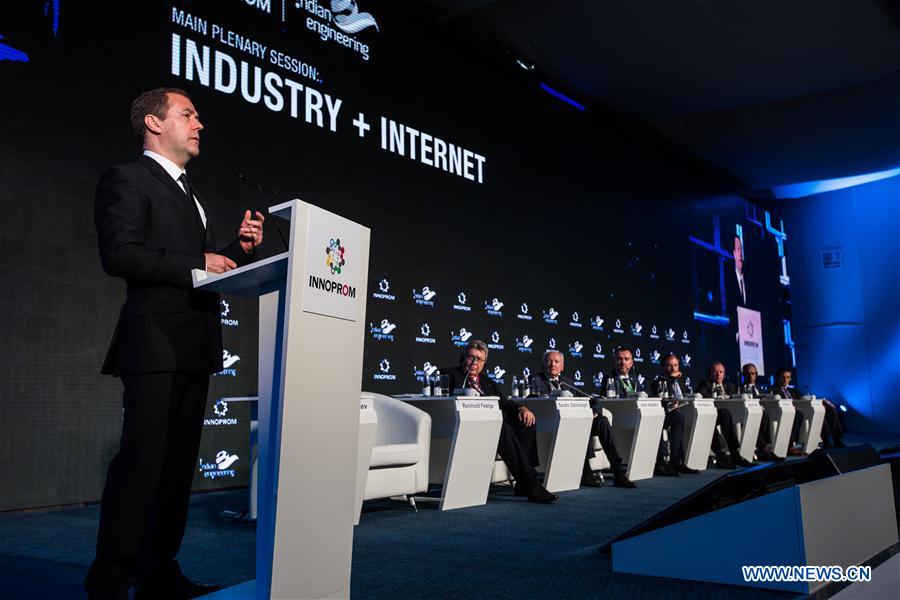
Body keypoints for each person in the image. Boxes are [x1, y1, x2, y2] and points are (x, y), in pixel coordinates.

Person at [86, 87, 264, 600]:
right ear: (154, 123)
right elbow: (121, 254)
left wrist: (237, 250)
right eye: (188, 114)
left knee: (176, 468)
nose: (200, 123)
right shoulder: (127, 178)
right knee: (142, 465)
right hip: (153, 341)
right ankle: (110, 581)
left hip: (193, 343)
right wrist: (199, 262)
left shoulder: (190, 191)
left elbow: (199, 268)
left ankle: (157, 572)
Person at [442, 340, 558, 503]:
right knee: (502, 428)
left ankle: (522, 484)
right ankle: (531, 484)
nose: (474, 362)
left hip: (490, 425)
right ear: (464, 357)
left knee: (526, 422)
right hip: (467, 426)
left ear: (484, 363)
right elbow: (443, 399)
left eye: (479, 359)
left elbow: (504, 402)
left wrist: (521, 409)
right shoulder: (449, 375)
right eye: (471, 357)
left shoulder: (487, 382)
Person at [528, 351, 635, 488]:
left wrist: (594, 412)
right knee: (579, 426)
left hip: (576, 421)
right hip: (555, 422)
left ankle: (618, 472)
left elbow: (591, 399)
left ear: (562, 366)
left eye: (556, 362)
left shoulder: (567, 382)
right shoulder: (535, 380)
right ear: (543, 364)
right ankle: (587, 473)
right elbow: (532, 399)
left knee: (601, 421)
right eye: (549, 361)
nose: (553, 364)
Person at [694, 362, 754, 468]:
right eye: (715, 372)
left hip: (728, 415)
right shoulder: (705, 383)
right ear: (710, 373)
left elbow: (736, 396)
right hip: (709, 414)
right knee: (720, 416)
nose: (718, 374)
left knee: (727, 414)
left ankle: (734, 453)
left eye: (721, 372)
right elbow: (701, 394)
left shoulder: (730, 385)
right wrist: (714, 395)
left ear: (724, 374)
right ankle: (727, 454)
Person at [650, 354, 699, 476]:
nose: (673, 369)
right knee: (674, 418)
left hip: (672, 414)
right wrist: (671, 379)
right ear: (663, 367)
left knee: (679, 417)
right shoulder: (658, 382)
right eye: (669, 365)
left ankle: (676, 461)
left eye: (675, 365)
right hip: (659, 415)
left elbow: (683, 397)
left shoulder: (680, 382)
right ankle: (660, 464)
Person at [778, 368, 846, 455]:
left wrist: (822, 401)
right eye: (783, 377)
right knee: (817, 414)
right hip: (791, 412)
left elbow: (803, 398)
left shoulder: (793, 390)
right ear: (778, 378)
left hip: (804, 408)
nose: (785, 380)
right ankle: (825, 440)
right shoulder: (775, 390)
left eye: (787, 377)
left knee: (830, 409)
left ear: (790, 379)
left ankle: (837, 439)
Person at [741, 363, 780, 461]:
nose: (751, 376)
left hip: (761, 416)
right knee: (755, 420)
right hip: (746, 415)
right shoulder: (739, 388)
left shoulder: (760, 389)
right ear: (743, 375)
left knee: (765, 414)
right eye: (748, 374)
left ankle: (765, 447)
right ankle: (764, 448)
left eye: (753, 374)